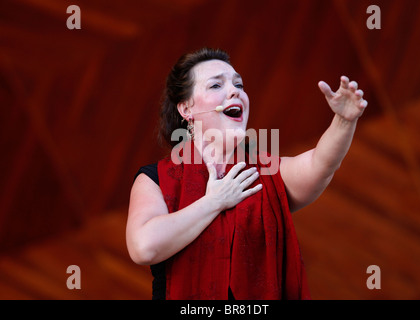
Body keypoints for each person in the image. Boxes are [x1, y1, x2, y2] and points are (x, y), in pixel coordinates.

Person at [126, 48, 367, 300]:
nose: (235, 91)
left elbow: (320, 164)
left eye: (238, 84)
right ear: (186, 109)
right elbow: (144, 247)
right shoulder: (155, 178)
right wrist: (214, 201)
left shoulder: (265, 172)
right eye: (216, 85)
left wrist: (344, 121)